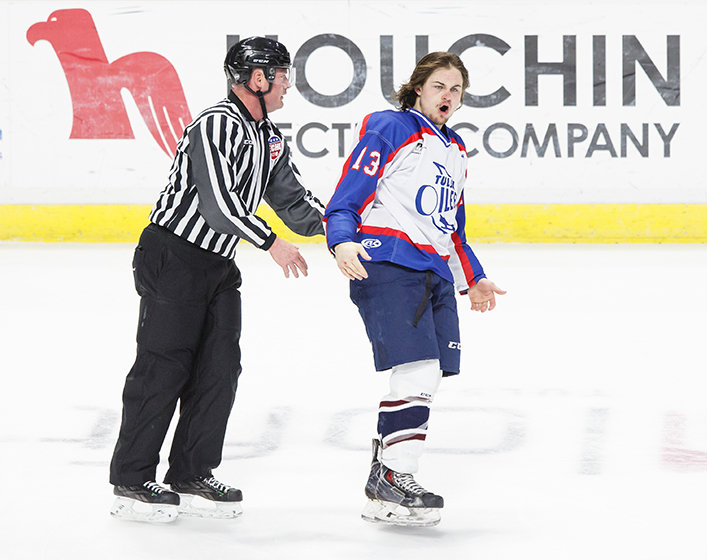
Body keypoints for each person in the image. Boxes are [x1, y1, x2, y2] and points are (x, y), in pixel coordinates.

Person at [109, 36, 325, 523]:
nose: (288, 83)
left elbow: (292, 199)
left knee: (219, 368)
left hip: (218, 266)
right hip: (174, 257)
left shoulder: (268, 137)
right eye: (282, 74)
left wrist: (342, 228)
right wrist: (272, 243)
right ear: (256, 79)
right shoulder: (214, 125)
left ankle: (190, 473)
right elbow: (218, 202)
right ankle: (131, 477)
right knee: (163, 367)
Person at [324, 51, 506, 527]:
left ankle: (383, 484)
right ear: (419, 87)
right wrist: (341, 241)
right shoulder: (391, 127)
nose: (449, 96)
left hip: (437, 272)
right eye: (441, 86)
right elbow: (346, 196)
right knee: (419, 369)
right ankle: (398, 475)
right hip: (386, 263)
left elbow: (454, 229)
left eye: (457, 90)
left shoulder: (455, 150)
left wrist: (475, 277)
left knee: (427, 376)